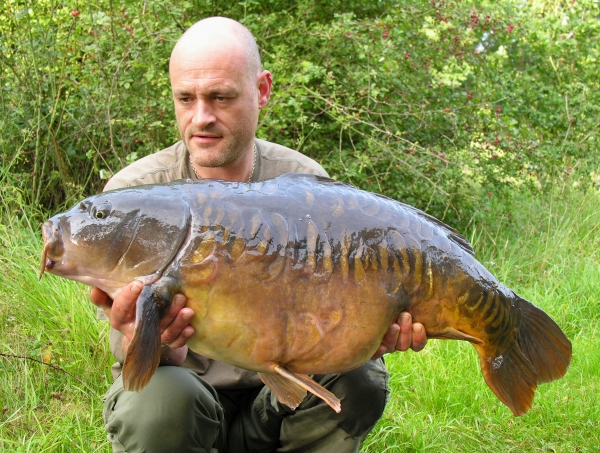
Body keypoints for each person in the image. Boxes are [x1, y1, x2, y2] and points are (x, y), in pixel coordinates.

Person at [91, 16, 427, 453]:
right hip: (184, 401)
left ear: (262, 90)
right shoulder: (132, 197)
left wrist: (365, 335)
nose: (201, 118)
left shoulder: (305, 186)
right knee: (158, 401)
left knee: (362, 376)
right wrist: (154, 339)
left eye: (221, 97)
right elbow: (137, 361)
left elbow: (327, 331)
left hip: (279, 402)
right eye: (185, 99)